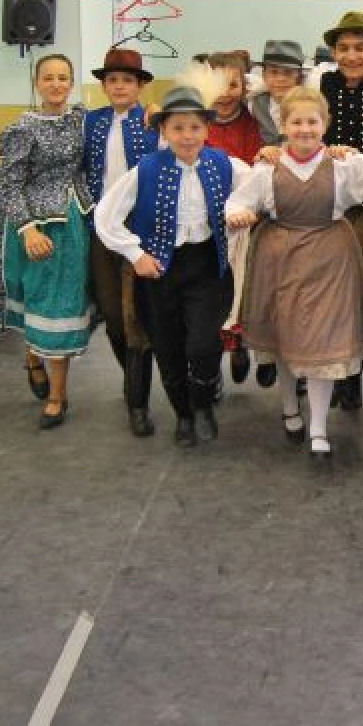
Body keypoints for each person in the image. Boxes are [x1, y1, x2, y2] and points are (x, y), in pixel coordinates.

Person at [94, 69, 253, 448]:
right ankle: (183, 414)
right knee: (168, 348)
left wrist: (244, 210)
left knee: (203, 343)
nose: (187, 136)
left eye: (195, 127)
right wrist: (135, 254)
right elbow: (105, 215)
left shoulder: (223, 163)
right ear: (163, 131)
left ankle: (203, 404)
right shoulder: (146, 169)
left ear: (206, 129)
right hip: (160, 271)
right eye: (178, 128)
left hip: (208, 267)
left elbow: (258, 187)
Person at [225, 87, 363, 463]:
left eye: (313, 121)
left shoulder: (344, 165)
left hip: (330, 258)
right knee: (287, 335)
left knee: (321, 340)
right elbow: (239, 201)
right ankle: (290, 406)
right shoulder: (267, 168)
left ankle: (319, 428)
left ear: (325, 124)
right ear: (283, 125)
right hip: (280, 258)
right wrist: (238, 214)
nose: (305, 129)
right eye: (297, 122)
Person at [0, 53, 93, 429]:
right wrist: (28, 229)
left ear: (72, 82)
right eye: (48, 78)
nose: (56, 84)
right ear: (37, 83)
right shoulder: (22, 129)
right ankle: (54, 393)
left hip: (74, 224)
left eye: (63, 77)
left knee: (62, 305)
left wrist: (152, 111)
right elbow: (9, 185)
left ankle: (50, 380)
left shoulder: (81, 119)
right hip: (35, 226)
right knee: (41, 300)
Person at [309, 11, 363, 410]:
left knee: (361, 291)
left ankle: (354, 373)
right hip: (327, 205)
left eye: (360, 47)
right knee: (328, 291)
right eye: (343, 48)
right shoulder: (321, 84)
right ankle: (330, 370)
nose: (351, 55)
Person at [80, 49, 163, 436]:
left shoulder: (154, 121)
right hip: (101, 227)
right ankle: (133, 383)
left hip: (141, 229)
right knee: (113, 316)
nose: (119, 87)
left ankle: (137, 403)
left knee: (137, 319)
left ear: (140, 86)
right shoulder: (90, 122)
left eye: (127, 80)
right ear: (103, 86)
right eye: (112, 80)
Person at [198, 51, 263, 386]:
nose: (225, 94)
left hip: (245, 220)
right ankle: (210, 367)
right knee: (208, 294)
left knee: (243, 288)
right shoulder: (196, 122)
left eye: (233, 85)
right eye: (218, 85)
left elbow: (258, 171)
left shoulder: (253, 123)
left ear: (244, 86)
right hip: (204, 222)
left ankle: (240, 345)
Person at [248, 39, 309, 146]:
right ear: (264, 75)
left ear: (299, 78)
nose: (280, 79)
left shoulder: (309, 105)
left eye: (288, 73)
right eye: (273, 72)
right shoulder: (254, 103)